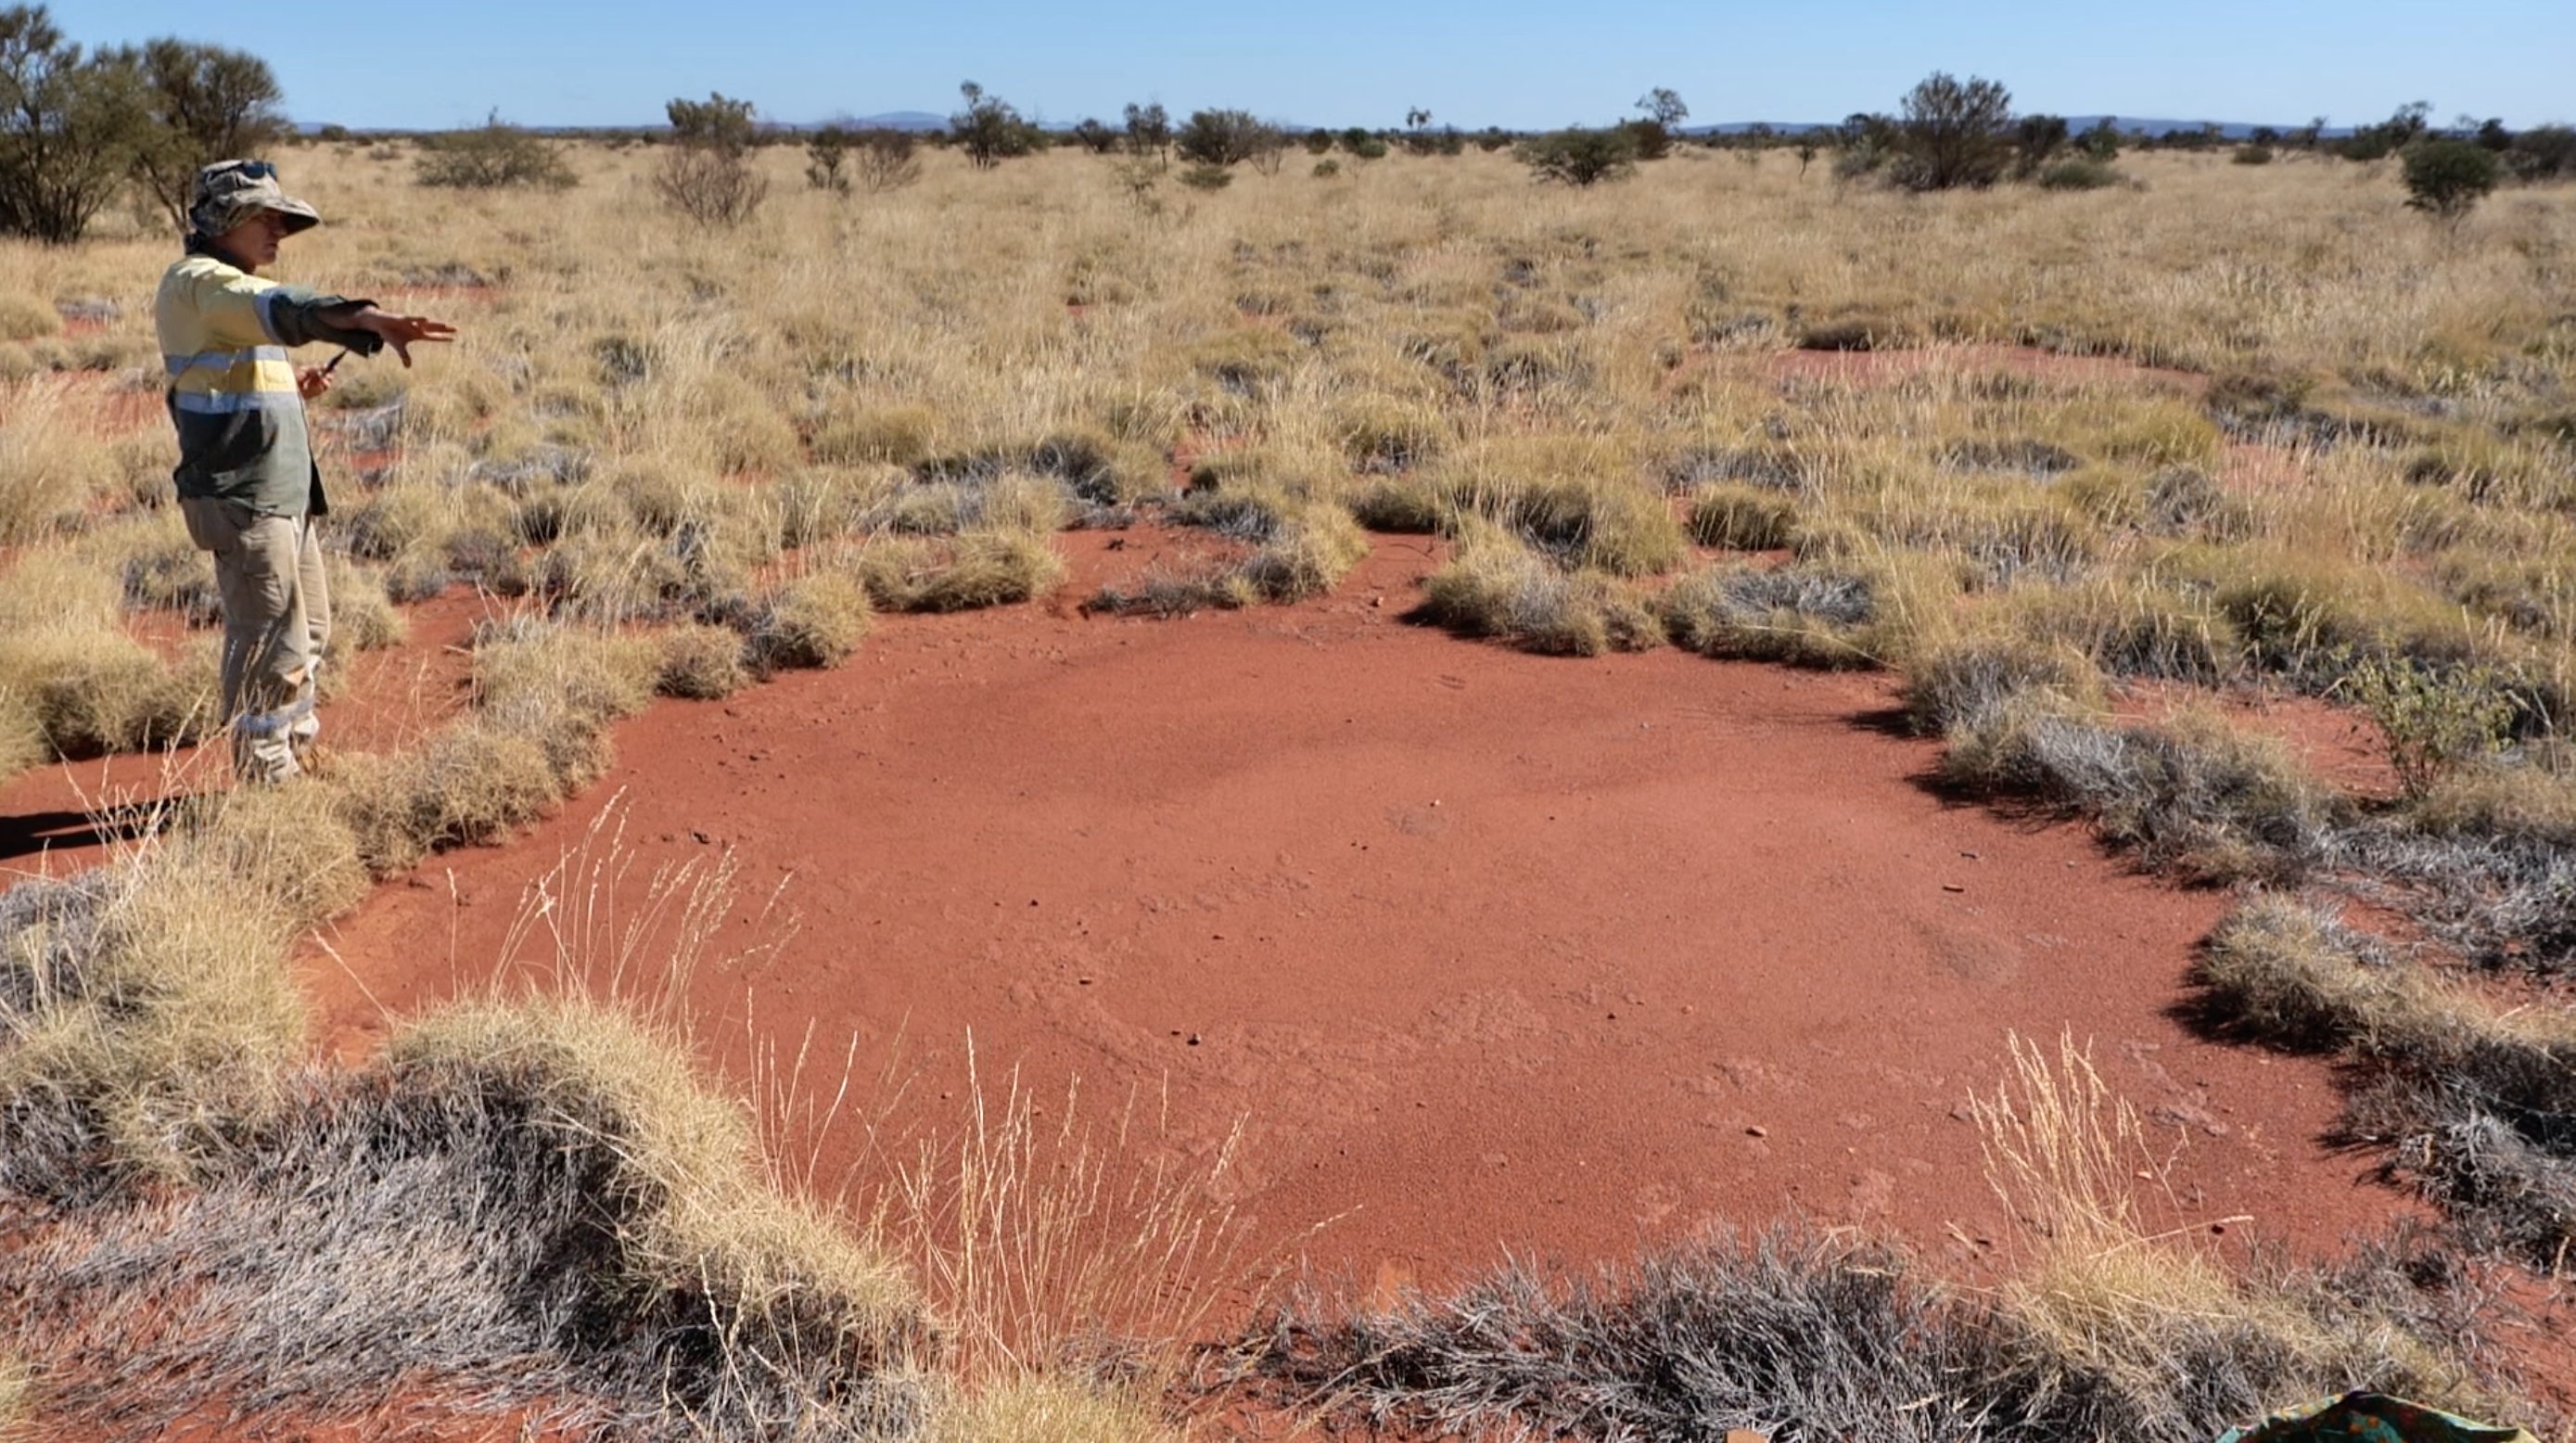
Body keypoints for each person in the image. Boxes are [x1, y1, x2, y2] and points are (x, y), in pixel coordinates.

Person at [154, 159, 455, 783]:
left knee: (307, 630)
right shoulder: (201, 284)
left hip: (282, 491)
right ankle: (266, 774)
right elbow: (281, 308)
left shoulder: (232, 293)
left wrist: (291, 386)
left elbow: (232, 372)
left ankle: (298, 746)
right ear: (226, 220)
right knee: (268, 640)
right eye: (264, 219)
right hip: (242, 496)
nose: (276, 233)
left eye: (280, 222)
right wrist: (364, 319)